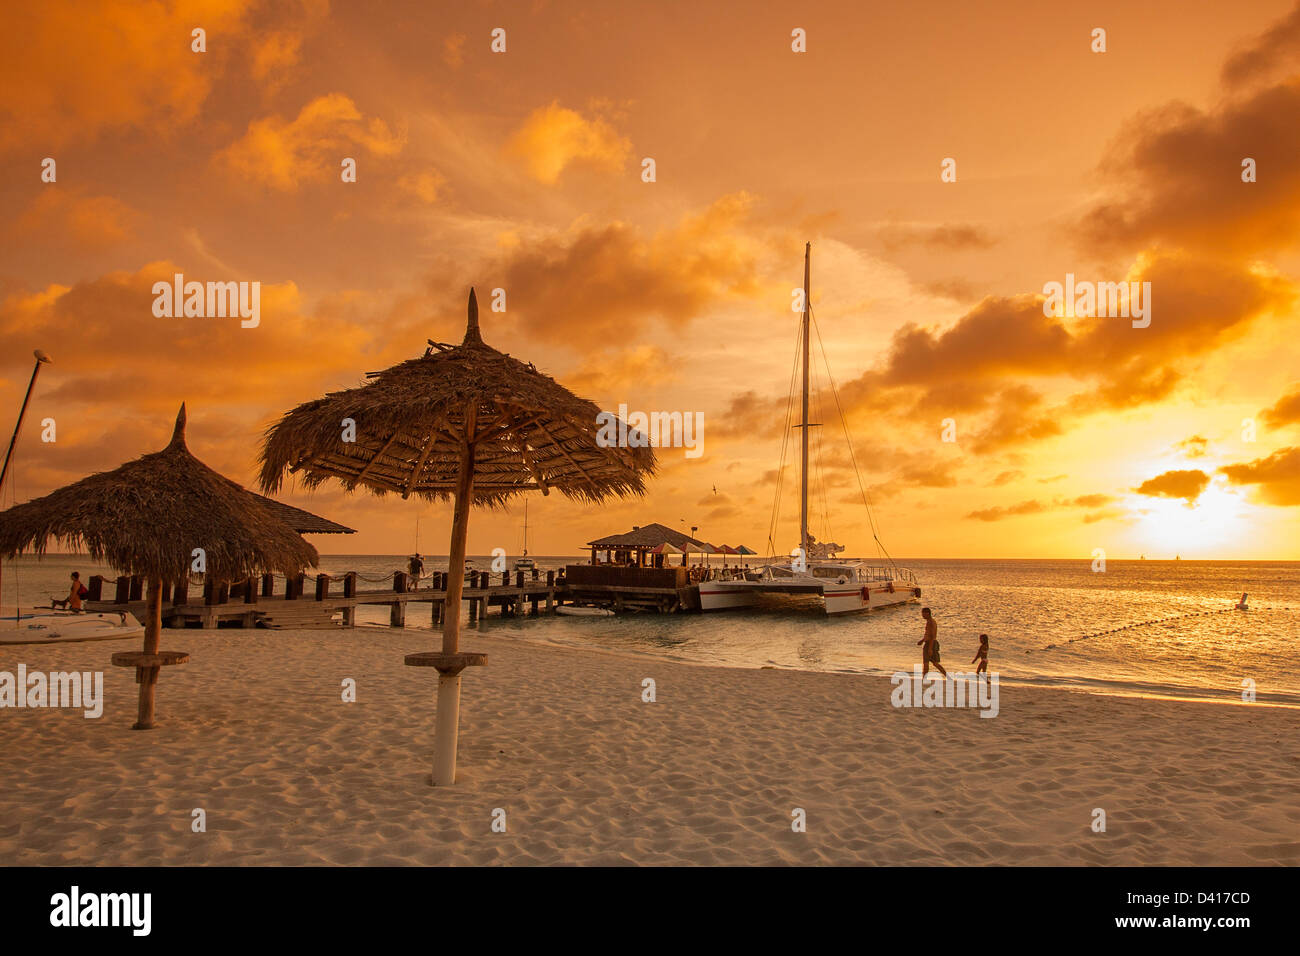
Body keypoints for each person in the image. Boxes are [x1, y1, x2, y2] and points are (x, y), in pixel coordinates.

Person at [917, 607, 947, 678]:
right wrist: (922, 640)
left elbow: (932, 636)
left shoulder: (931, 622)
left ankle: (924, 678)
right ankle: (947, 676)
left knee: (927, 663)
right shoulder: (929, 621)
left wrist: (930, 648)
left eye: (923, 613)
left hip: (930, 644)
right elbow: (928, 634)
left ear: (928, 613)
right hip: (929, 643)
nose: (922, 615)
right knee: (934, 663)